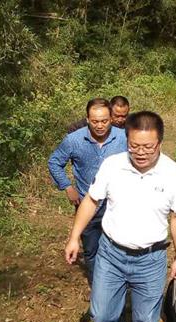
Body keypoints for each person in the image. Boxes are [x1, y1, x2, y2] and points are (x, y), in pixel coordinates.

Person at [64, 111, 176, 322]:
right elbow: (91, 201)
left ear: (160, 143)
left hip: (151, 259)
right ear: (126, 141)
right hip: (111, 253)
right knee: (101, 314)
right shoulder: (113, 166)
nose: (140, 152)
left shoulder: (174, 174)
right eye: (134, 146)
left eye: (148, 146)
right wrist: (74, 237)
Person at [48, 98, 128, 286]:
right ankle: (98, 287)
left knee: (119, 249)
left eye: (104, 121)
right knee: (92, 250)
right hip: (87, 206)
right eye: (95, 121)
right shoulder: (74, 140)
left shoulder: (124, 138)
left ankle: (119, 286)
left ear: (111, 118)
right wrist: (67, 186)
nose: (100, 126)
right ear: (87, 119)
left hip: (117, 206)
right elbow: (54, 162)